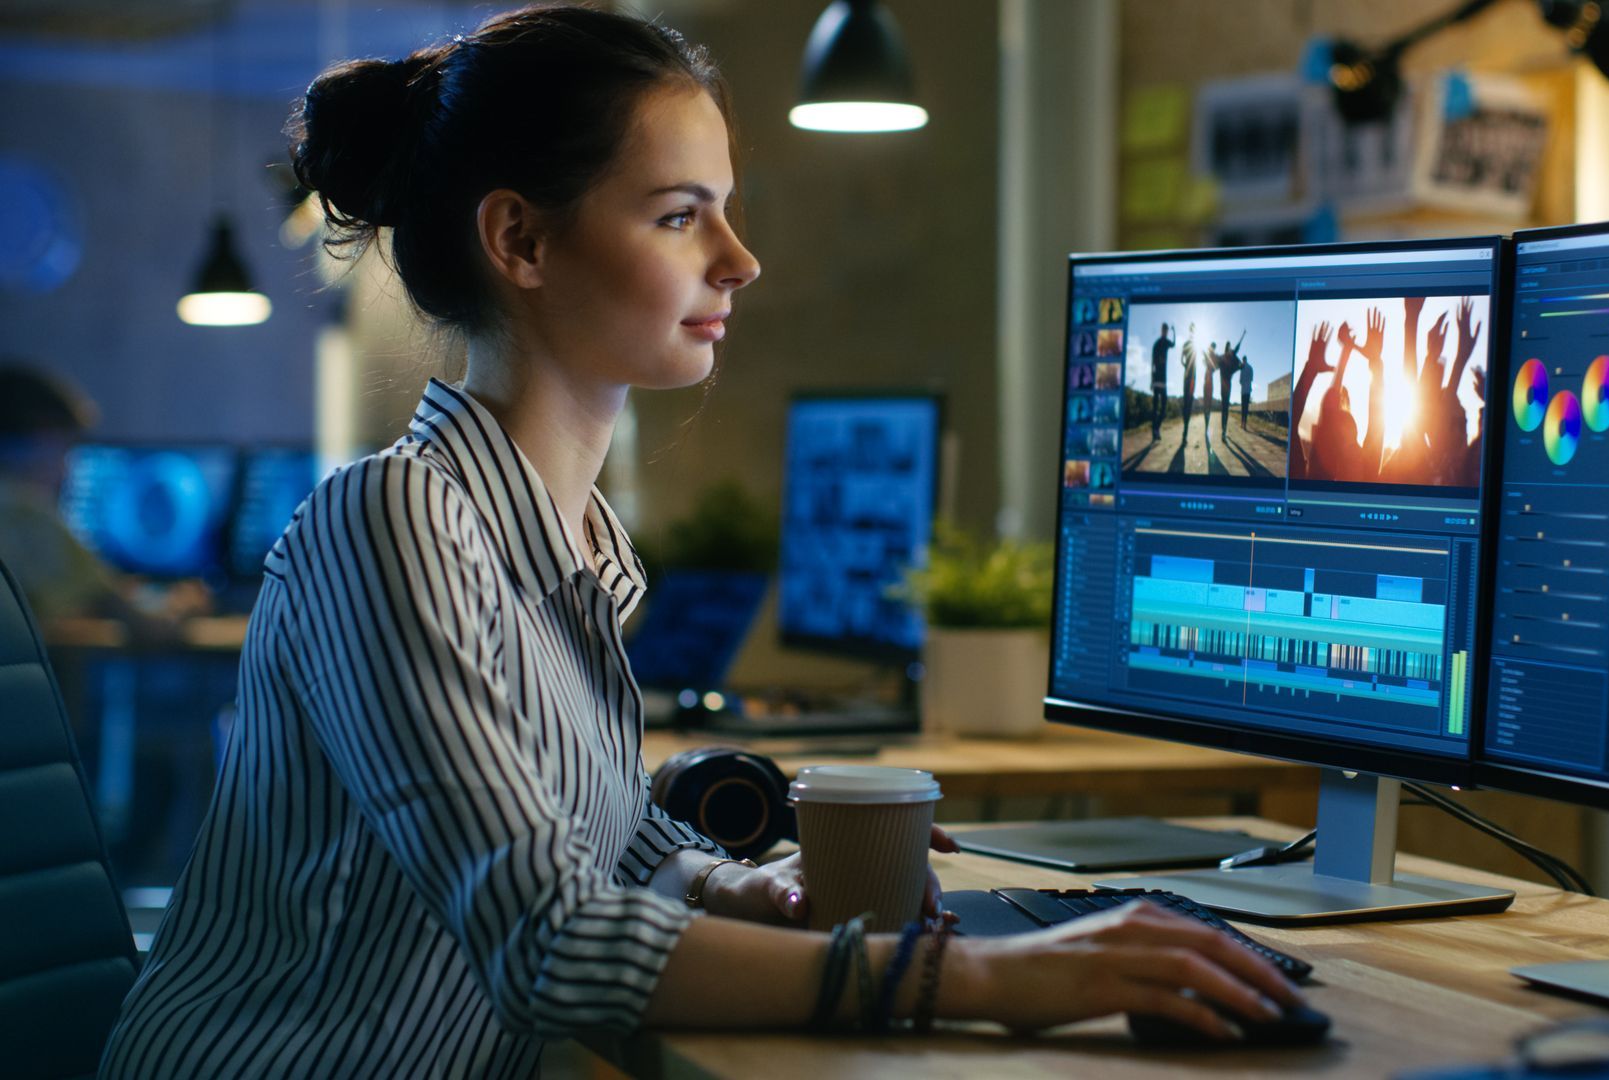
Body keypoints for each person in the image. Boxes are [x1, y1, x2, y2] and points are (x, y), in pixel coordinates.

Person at [97, 9, 1297, 1077]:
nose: (740, 260)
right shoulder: (392, 519)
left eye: (725, 211)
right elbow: (548, 940)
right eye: (681, 216)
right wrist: (997, 982)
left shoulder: (575, 541)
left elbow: (601, 829)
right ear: (520, 242)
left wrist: (745, 884)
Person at [0, 364, 207, 638]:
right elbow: (151, 626)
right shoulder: (26, 514)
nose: (66, 471)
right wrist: (186, 603)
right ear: (42, 435)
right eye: (66, 449)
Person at [1149, 322, 1171, 439]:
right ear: (1161, 330)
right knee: (1155, 407)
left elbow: (1174, 344)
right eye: (1164, 330)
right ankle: (1155, 432)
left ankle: (1156, 428)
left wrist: (1174, 331)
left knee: (1163, 409)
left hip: (1164, 380)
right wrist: (1151, 380)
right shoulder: (1156, 344)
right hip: (1157, 379)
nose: (1165, 332)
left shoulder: (1166, 343)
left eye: (1167, 331)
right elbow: (1152, 363)